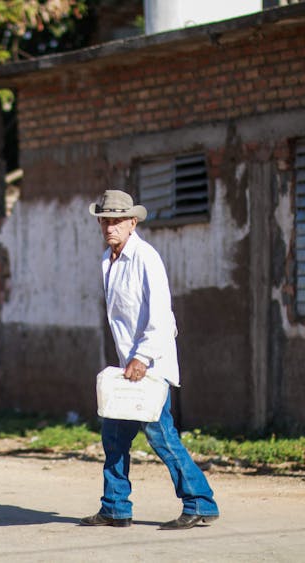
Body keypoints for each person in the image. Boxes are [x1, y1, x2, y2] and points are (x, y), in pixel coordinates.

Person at [79, 189, 219, 531]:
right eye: (105, 221)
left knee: (162, 437)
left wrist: (142, 357)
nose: (110, 227)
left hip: (149, 366)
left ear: (132, 222)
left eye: (117, 221)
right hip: (128, 370)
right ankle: (114, 507)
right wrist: (130, 362)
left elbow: (162, 316)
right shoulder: (107, 262)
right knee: (113, 438)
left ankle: (201, 502)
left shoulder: (146, 258)